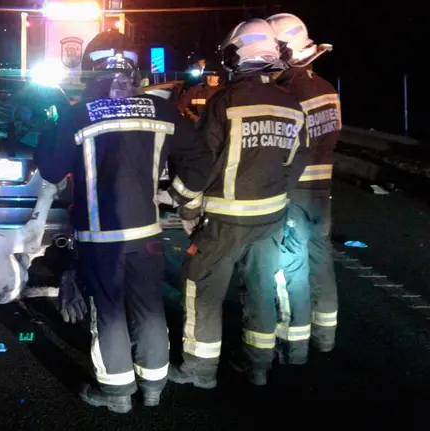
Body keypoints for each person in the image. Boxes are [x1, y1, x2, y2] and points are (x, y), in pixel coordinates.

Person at [34, 29, 213, 413]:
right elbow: (201, 159)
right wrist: (175, 197)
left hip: (100, 239)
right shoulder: (162, 111)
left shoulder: (77, 114)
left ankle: (117, 394)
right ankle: (153, 386)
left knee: (110, 310)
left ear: (91, 71)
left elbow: (50, 170)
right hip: (147, 233)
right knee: (149, 306)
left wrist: (48, 130)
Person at [166, 19, 310, 389]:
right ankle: (259, 364)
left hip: (223, 222)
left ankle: (200, 370)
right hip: (271, 219)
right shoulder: (293, 105)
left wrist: (184, 204)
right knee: (260, 290)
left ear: (237, 55)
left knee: (202, 289)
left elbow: (200, 163)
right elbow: (296, 163)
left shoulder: (225, 103)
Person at [266, 12, 340, 362]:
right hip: (322, 192)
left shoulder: (288, 92)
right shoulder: (327, 89)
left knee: (289, 271)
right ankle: (325, 338)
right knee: (322, 263)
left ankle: (292, 346)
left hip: (293, 192)